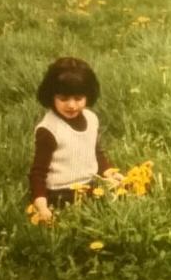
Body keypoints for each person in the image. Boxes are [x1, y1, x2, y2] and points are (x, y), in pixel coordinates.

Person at [28, 57, 123, 222]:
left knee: (122, 198)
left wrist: (109, 173)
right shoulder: (49, 130)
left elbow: (94, 151)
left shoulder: (91, 118)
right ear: (51, 97)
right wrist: (41, 206)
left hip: (90, 185)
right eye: (63, 99)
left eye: (78, 99)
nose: (71, 105)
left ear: (88, 96)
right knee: (80, 219)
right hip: (61, 192)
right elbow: (38, 172)